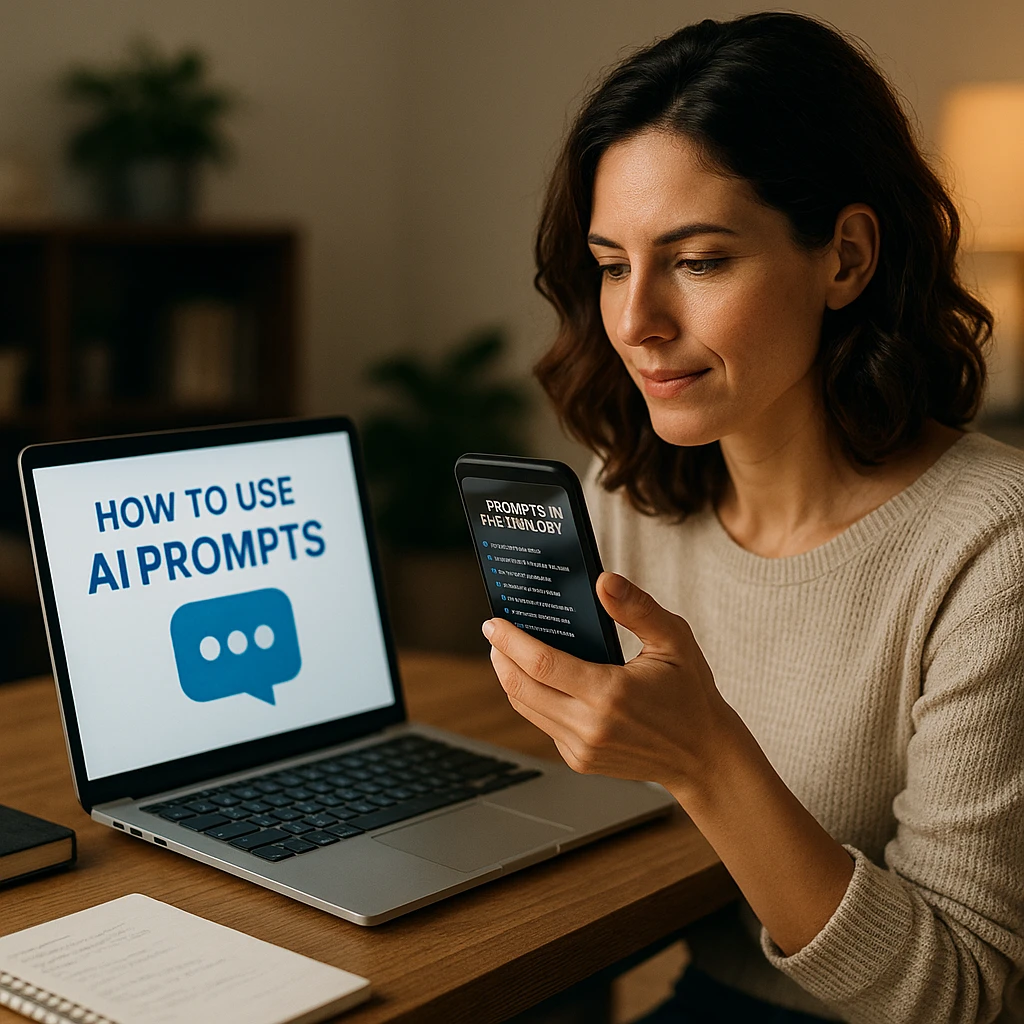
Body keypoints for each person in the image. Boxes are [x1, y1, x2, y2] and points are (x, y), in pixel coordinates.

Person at [479, 12, 1024, 1024]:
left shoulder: (993, 549)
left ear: (846, 258)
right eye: (612, 264)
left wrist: (706, 756)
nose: (636, 320)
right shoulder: (627, 496)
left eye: (697, 261)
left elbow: (966, 993)